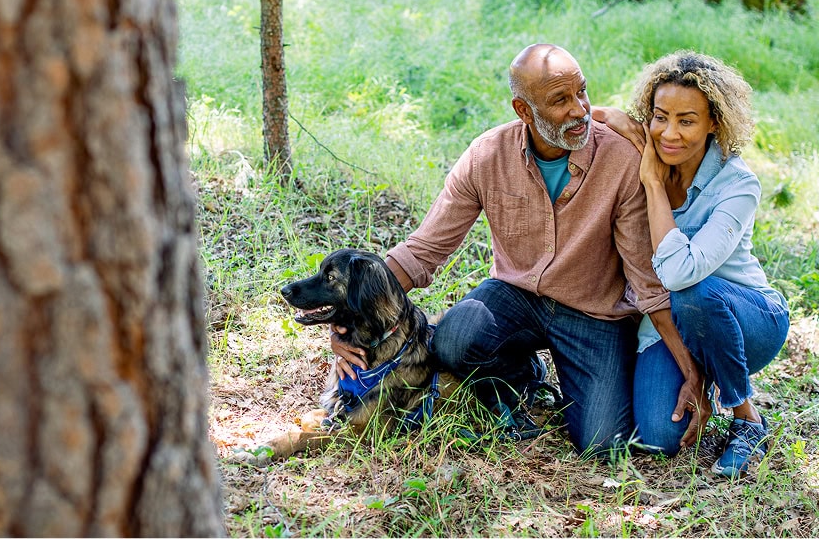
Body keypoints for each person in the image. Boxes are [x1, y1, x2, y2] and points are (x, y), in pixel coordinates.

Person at [331, 43, 693, 458]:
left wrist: (689, 370)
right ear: (523, 110)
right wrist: (347, 323)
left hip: (595, 313)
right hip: (516, 297)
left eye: (582, 92)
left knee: (601, 444)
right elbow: (423, 250)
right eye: (560, 100)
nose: (580, 109)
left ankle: (585, 374)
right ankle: (524, 375)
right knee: (454, 340)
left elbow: (647, 282)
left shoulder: (620, 159)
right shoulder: (488, 154)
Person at [594, 51, 790, 478]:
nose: (670, 133)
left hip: (747, 318)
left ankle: (746, 418)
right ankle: (698, 371)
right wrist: (627, 125)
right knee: (660, 435)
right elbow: (593, 112)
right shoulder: (646, 148)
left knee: (694, 290)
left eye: (687, 121)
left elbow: (681, 273)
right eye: (660, 117)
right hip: (677, 324)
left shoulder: (738, 184)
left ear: (713, 123)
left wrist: (653, 187)